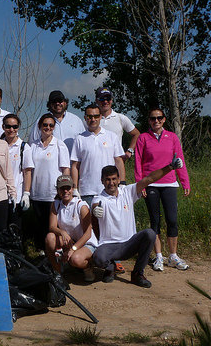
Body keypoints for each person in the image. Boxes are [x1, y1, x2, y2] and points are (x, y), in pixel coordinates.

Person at [91, 155, 184, 288]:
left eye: (113, 179)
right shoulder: (99, 198)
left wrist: (170, 167)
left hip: (129, 243)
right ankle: (110, 267)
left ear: (118, 179)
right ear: (102, 181)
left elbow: (149, 179)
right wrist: (95, 211)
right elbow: (96, 206)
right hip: (109, 246)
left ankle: (137, 274)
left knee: (150, 234)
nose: (111, 183)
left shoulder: (127, 191)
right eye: (107, 180)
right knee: (98, 258)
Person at [135, 108, 191, 271]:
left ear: (164, 119)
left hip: (169, 183)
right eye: (153, 118)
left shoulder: (172, 137)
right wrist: (141, 184)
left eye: (159, 118)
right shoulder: (143, 138)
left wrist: (185, 181)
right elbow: (138, 161)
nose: (156, 121)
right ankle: (159, 256)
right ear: (149, 121)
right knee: (155, 221)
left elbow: (179, 160)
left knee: (172, 220)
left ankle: (173, 256)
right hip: (151, 184)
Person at [25, 113, 71, 251]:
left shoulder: (59, 145)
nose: (48, 127)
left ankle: (56, 253)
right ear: (40, 126)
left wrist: (65, 191)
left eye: (51, 125)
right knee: (40, 226)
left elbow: (66, 170)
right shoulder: (32, 146)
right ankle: (40, 253)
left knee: (53, 227)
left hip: (53, 195)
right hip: (37, 193)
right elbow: (28, 170)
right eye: (45, 125)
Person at [70, 104, 125, 207]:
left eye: (96, 116)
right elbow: (75, 165)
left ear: (100, 117)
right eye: (90, 116)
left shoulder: (111, 136)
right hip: (87, 192)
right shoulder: (79, 139)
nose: (93, 119)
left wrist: (122, 183)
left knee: (109, 222)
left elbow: (118, 161)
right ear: (85, 118)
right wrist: (75, 188)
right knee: (89, 223)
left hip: (109, 189)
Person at [45, 175, 97, 280]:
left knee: (76, 259)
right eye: (62, 188)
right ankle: (57, 271)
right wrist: (62, 232)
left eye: (68, 188)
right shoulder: (56, 205)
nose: (65, 191)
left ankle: (88, 266)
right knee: (50, 238)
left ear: (72, 189)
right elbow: (52, 227)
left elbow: (88, 234)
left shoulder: (81, 206)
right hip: (70, 240)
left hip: (86, 242)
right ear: (58, 190)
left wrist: (73, 249)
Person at [0, 114, 33, 231]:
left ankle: (16, 250)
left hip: (17, 197)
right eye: (8, 126)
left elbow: (27, 172)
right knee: (1, 230)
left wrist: (26, 194)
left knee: (15, 230)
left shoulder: (24, 147)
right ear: (3, 127)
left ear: (18, 128)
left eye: (14, 126)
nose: (11, 130)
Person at [95, 87, 140, 161]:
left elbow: (136, 134)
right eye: (102, 99)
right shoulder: (91, 120)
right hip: (96, 163)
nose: (105, 101)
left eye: (108, 98)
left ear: (112, 100)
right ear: (97, 101)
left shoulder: (120, 118)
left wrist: (130, 151)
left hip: (116, 164)